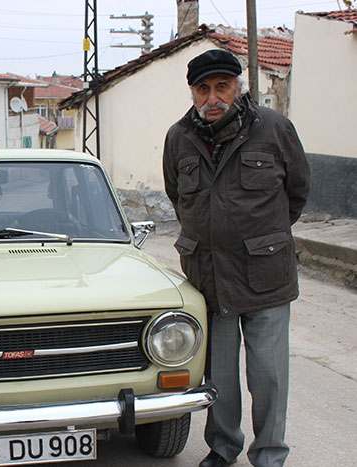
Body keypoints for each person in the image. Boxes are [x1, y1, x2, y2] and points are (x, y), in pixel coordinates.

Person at [162, 50, 311, 467]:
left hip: (266, 276)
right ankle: (223, 448)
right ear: (193, 92)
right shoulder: (178, 137)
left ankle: (268, 453)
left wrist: (263, 239)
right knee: (220, 378)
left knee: (267, 376)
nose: (213, 98)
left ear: (238, 86)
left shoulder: (275, 129)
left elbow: (297, 193)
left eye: (222, 86)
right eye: (203, 89)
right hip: (209, 277)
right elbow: (178, 197)